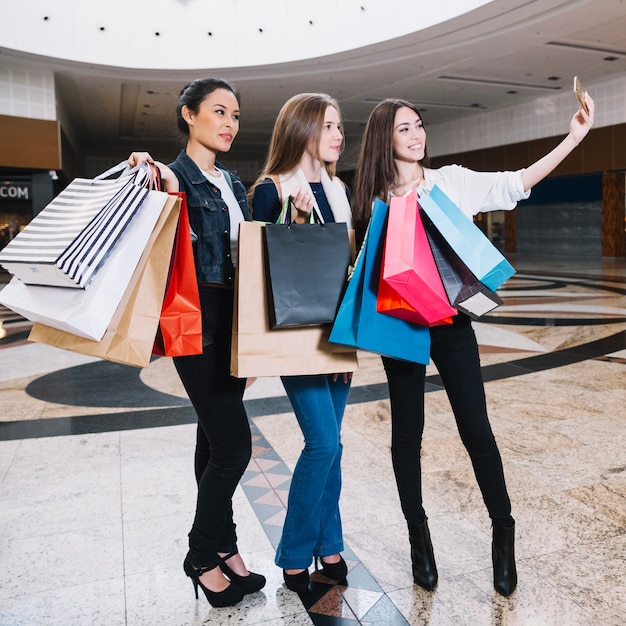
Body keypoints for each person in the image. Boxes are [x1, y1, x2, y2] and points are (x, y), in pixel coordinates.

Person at [351, 92, 595, 597]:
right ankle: (419, 538)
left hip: (451, 320)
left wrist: (574, 137)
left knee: (476, 430)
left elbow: (516, 184)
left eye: (419, 125)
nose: (416, 136)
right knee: (406, 436)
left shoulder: (449, 183)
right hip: (400, 324)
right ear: (383, 139)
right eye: (404, 129)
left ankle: (503, 533)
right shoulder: (370, 202)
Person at [128, 78, 266, 608]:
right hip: (194, 315)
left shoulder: (232, 181)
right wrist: (147, 173)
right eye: (218, 111)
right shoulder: (170, 176)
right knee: (235, 444)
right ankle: (201, 553)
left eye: (235, 114)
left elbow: (247, 252)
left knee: (213, 438)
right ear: (188, 115)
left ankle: (226, 547)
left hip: (233, 316)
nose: (230, 123)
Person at [249, 93, 353, 593]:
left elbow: (342, 266)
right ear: (302, 128)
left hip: (336, 331)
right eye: (328, 125)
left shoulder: (337, 189)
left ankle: (329, 543)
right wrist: (290, 222)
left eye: (339, 126)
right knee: (323, 443)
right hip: (295, 335)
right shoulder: (271, 190)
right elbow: (256, 268)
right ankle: (294, 554)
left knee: (334, 446)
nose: (337, 134)